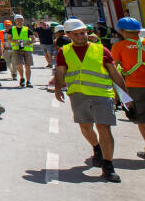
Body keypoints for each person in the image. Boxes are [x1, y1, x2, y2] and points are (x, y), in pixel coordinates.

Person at [54, 18, 130, 183]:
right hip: (78, 95)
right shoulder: (64, 51)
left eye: (84, 33)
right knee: (86, 127)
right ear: (68, 35)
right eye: (77, 34)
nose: (82, 36)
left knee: (104, 128)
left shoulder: (101, 50)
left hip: (102, 94)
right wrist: (57, 88)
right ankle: (97, 149)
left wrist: (125, 96)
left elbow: (114, 73)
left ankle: (108, 166)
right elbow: (60, 71)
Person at [111, 17, 145, 159]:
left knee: (143, 119)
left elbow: (113, 69)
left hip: (135, 87)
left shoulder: (119, 47)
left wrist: (116, 93)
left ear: (122, 31)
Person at [10, 15, 34, 87]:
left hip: (27, 49)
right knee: (19, 65)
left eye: (21, 20)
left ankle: (28, 81)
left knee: (27, 66)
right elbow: (9, 38)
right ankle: (22, 78)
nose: (19, 21)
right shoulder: (12, 29)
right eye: (18, 20)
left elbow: (33, 39)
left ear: (23, 21)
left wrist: (27, 43)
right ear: (15, 21)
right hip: (17, 49)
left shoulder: (27, 30)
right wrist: (15, 41)